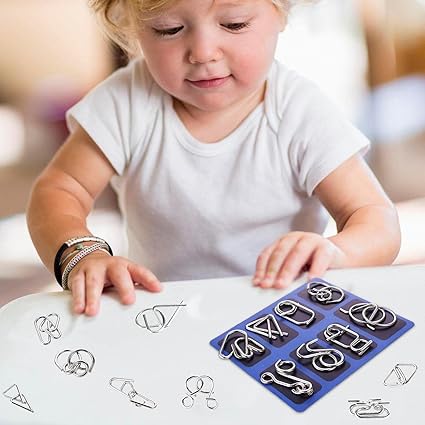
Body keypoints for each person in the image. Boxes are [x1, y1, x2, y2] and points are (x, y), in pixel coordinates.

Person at [27, 0, 400, 317]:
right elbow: (60, 190)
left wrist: (335, 253)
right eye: (169, 29)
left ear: (282, 13)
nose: (203, 53)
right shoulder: (125, 103)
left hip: (282, 318)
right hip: (163, 317)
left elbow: (376, 219)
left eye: (234, 24)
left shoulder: (301, 113)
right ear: (133, 28)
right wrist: (81, 255)